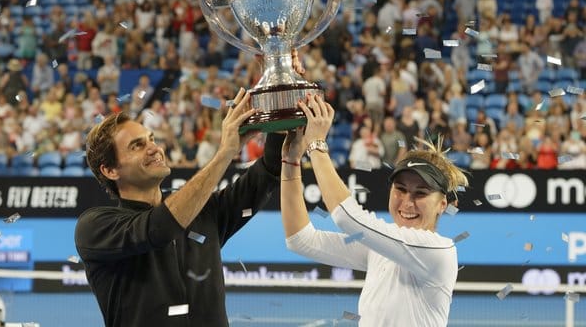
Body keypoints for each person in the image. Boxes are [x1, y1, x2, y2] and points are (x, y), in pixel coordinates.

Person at [74, 88, 285, 327]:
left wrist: (278, 91)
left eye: (151, 139)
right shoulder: (95, 227)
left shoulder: (204, 211)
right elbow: (160, 228)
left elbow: (267, 172)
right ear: (110, 170)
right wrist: (225, 153)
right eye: (137, 146)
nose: (154, 148)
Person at [280, 94, 469, 326]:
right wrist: (291, 162)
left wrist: (317, 145)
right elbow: (301, 240)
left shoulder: (438, 251)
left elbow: (348, 219)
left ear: (443, 204)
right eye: (400, 189)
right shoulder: (381, 248)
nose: (407, 201)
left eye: (421, 193)